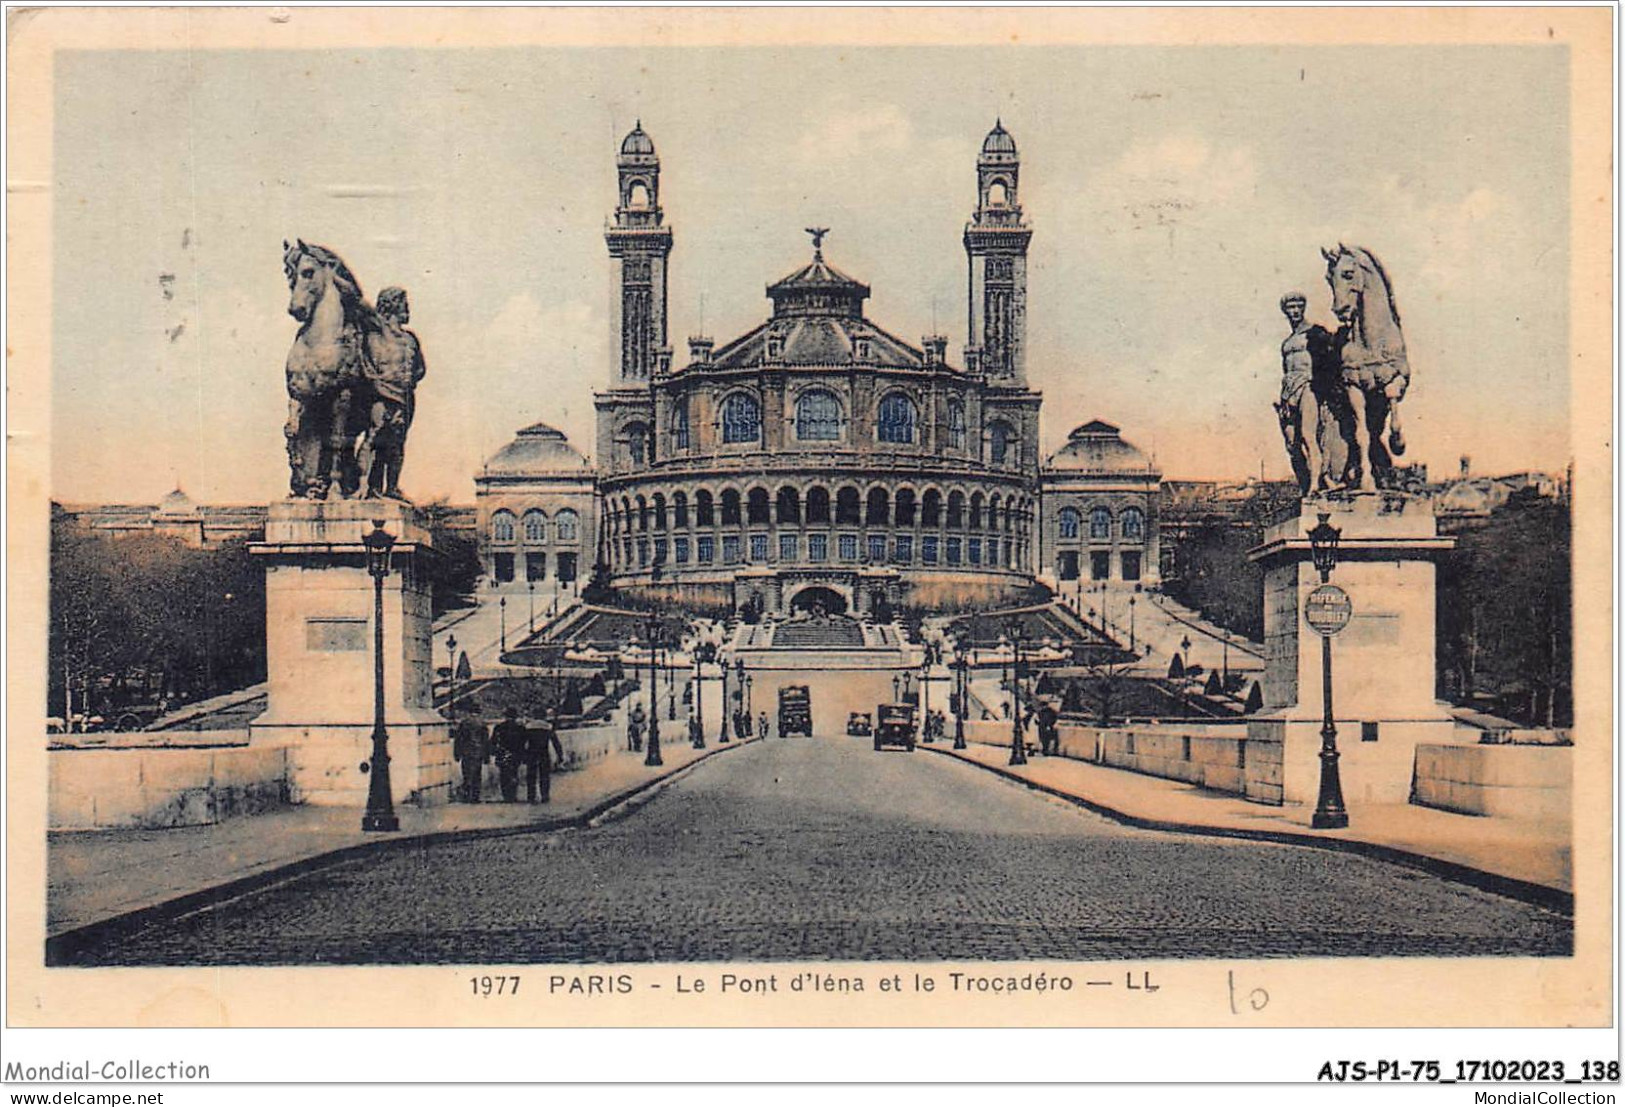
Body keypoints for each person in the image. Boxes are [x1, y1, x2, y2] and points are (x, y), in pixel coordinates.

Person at [360, 286, 427, 500]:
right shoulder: (373, 336)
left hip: (404, 397)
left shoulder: (410, 339)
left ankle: (392, 488)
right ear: (392, 306)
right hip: (381, 395)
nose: (407, 309)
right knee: (375, 436)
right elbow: (365, 365)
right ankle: (367, 486)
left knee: (397, 444)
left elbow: (420, 369)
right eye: (403, 304)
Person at [451, 701, 490, 803]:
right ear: (479, 712)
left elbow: (459, 739)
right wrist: (486, 756)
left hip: (466, 753)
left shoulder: (464, 723)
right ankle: (475, 797)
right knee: (477, 775)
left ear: (469, 712)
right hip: (478, 753)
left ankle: (467, 796)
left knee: (467, 774)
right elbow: (486, 741)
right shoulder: (482, 724)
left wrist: (457, 754)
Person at [526, 709, 567, 804]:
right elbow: (556, 743)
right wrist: (560, 755)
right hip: (543, 752)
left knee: (531, 775)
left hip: (531, 752)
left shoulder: (528, 727)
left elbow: (523, 742)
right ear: (544, 716)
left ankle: (531, 796)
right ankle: (545, 796)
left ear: (534, 716)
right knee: (544, 775)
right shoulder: (548, 727)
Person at [491, 706, 529, 803]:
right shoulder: (520, 728)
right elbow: (524, 741)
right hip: (516, 753)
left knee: (504, 773)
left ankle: (506, 796)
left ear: (505, 716)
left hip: (503, 753)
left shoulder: (499, 727)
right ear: (516, 716)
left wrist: (494, 751)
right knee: (513, 772)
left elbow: (493, 741)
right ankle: (513, 795)